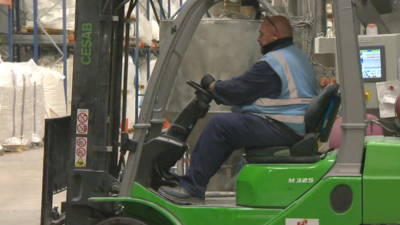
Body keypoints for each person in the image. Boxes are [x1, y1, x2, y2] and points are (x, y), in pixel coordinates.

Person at [158, 15, 318, 204]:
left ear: (275, 34)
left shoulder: (275, 62)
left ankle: (192, 188)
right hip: (292, 125)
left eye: (262, 34)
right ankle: (194, 182)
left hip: (285, 127)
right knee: (230, 127)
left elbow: (240, 89)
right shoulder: (293, 56)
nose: (258, 39)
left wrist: (214, 87)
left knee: (220, 126)